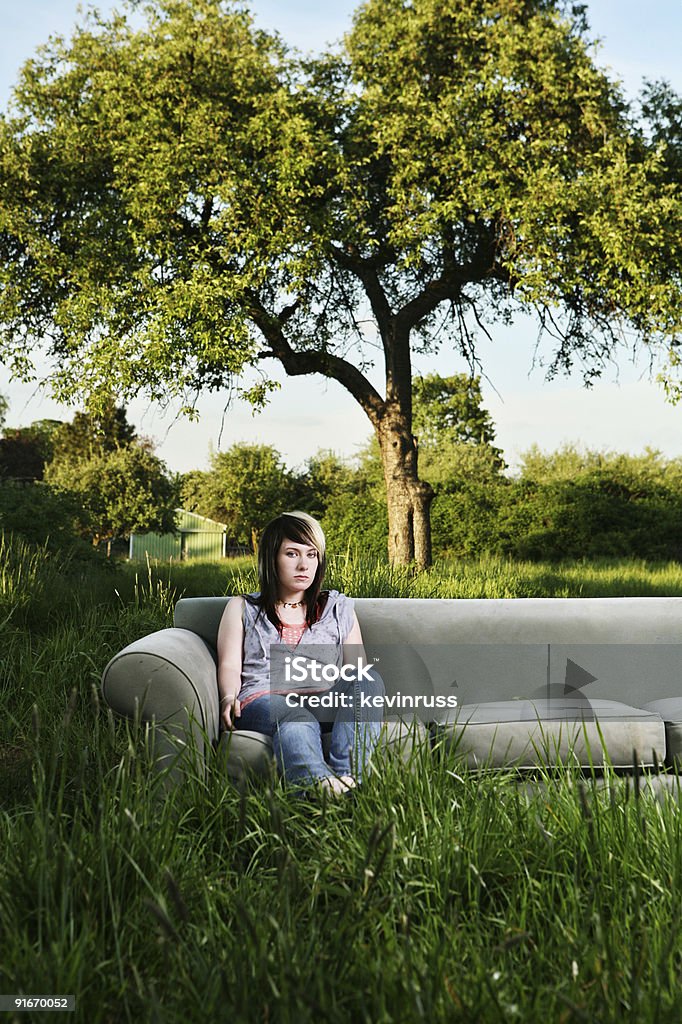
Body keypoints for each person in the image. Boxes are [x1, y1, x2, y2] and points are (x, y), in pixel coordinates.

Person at [217, 511, 385, 795]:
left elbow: (356, 669)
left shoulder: (338, 607)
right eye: (292, 554)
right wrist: (227, 697)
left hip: (324, 697)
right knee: (297, 720)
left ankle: (347, 782)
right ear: (272, 558)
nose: (304, 564)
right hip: (265, 699)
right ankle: (317, 789)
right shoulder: (243, 607)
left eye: (312, 555)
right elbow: (231, 665)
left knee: (368, 679)